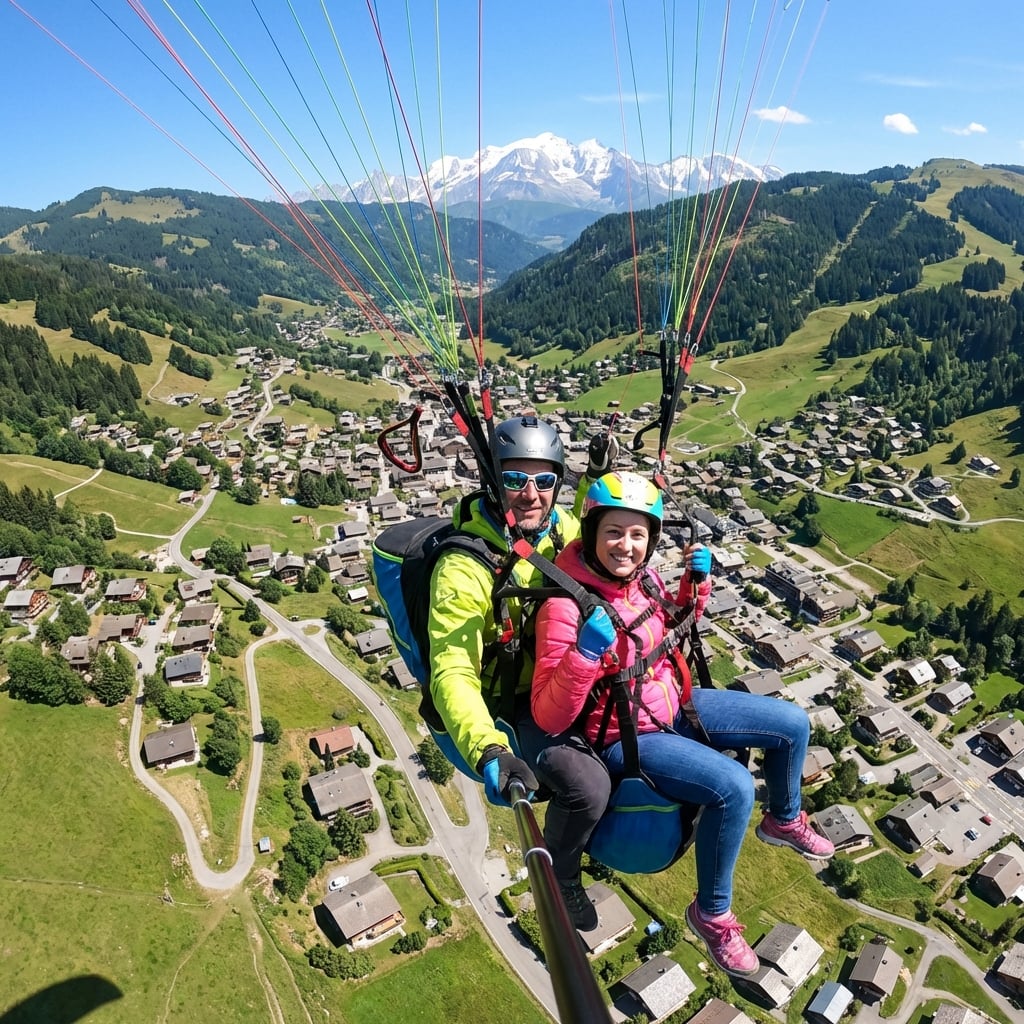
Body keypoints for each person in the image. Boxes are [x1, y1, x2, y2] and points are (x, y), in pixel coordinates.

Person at [531, 471, 834, 975]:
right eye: (613, 532)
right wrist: (585, 653)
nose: (625, 546)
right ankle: (712, 915)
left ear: (650, 541)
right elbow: (549, 714)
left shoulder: (642, 579)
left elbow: (668, 622)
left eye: (637, 534)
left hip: (675, 704)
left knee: (792, 723)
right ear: (591, 531)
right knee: (734, 786)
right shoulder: (566, 605)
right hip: (626, 736)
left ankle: (784, 818)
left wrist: (695, 586)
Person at [426, 415, 616, 930]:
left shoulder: (562, 529)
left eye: (544, 479)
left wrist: (599, 476)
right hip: (511, 708)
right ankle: (563, 876)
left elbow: (591, 530)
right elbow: (452, 669)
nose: (530, 494)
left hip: (563, 680)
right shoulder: (464, 567)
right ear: (493, 481)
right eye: (514, 480)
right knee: (589, 788)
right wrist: (489, 747)